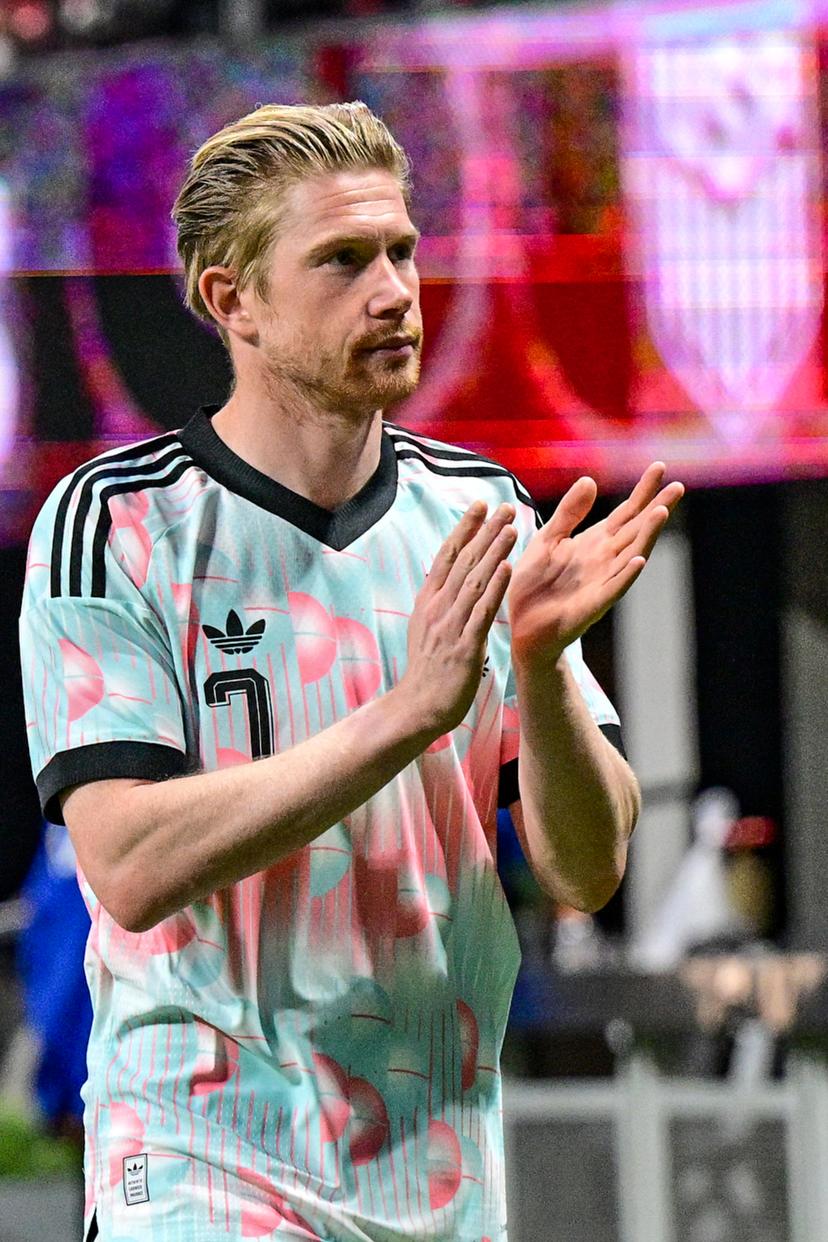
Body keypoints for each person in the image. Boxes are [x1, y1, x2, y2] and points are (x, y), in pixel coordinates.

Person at [19, 101, 683, 1242]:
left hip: (436, 1172)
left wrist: (538, 666)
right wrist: (407, 714)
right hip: (199, 1162)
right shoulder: (116, 524)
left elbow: (586, 869)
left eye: (401, 252)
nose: (393, 291)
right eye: (342, 260)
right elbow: (126, 863)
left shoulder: (481, 516)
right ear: (234, 301)